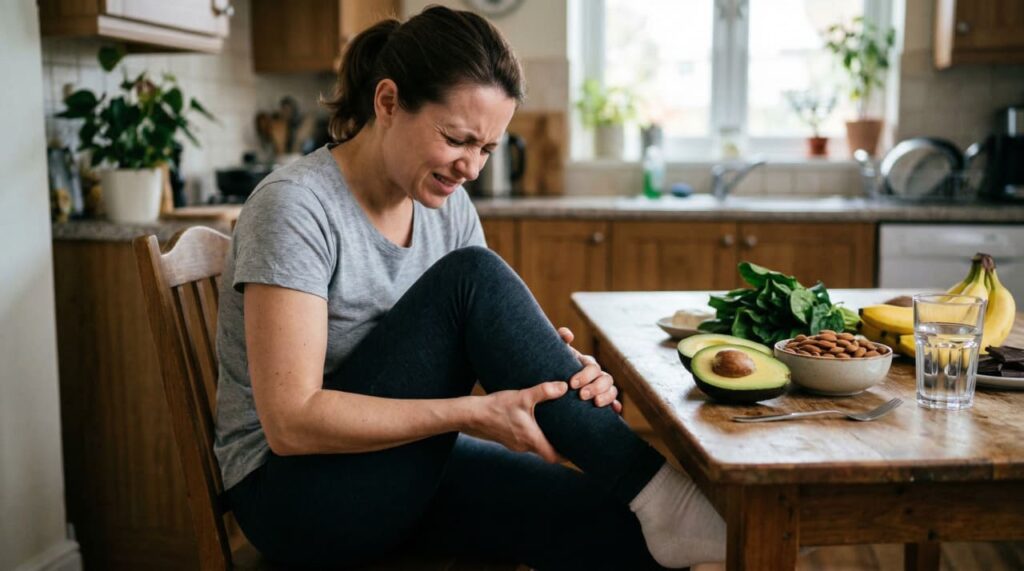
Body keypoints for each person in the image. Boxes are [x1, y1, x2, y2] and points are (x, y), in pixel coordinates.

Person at [215, 6, 725, 570]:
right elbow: (291, 423)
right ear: (387, 103)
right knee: (472, 276)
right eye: (458, 139)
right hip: (297, 497)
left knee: (623, 528)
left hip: (404, 466)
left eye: (487, 148)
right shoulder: (295, 207)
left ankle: (659, 502)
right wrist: (465, 414)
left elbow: (479, 337)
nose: (471, 169)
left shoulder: (445, 206)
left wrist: (556, 368)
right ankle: (663, 492)